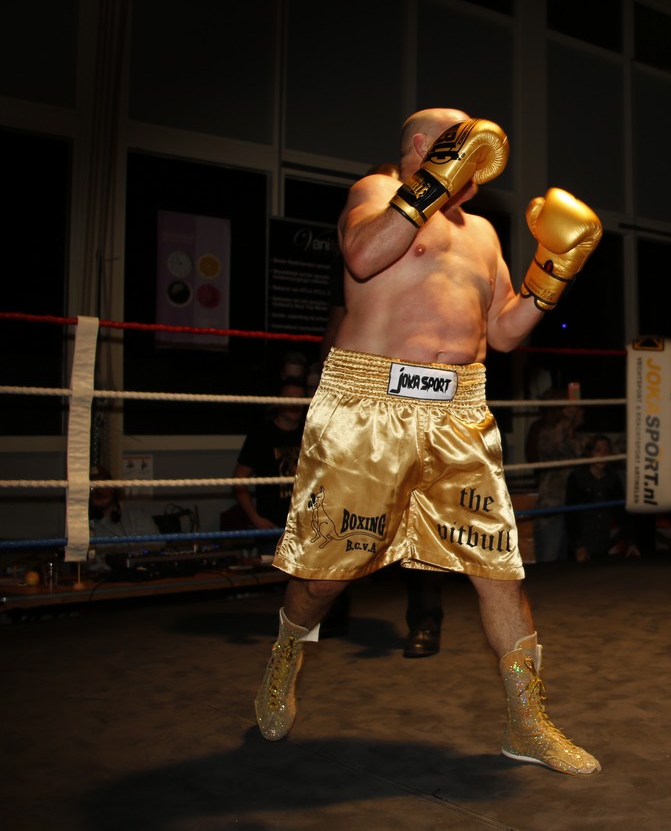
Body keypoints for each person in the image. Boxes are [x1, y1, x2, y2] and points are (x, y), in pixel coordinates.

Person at [253, 108, 603, 776]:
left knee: (500, 573)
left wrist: (552, 270)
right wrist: (436, 180)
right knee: (324, 577)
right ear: (424, 145)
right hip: (370, 405)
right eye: (457, 142)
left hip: (459, 412)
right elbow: (361, 256)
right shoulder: (376, 192)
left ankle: (526, 723)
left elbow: (503, 333)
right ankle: (286, 650)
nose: (478, 161)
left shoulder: (484, 233)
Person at [323, 212, 448, 659]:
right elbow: (340, 318)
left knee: (420, 512)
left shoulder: (446, 242)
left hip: (423, 395)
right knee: (341, 511)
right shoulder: (366, 236)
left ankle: (426, 621)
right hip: (364, 398)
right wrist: (328, 389)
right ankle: (327, 610)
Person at [232, 377, 309, 556]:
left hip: (305, 526)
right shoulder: (261, 435)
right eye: (289, 398)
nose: (294, 404)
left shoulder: (311, 432)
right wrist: (256, 519)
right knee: (273, 573)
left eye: (299, 398)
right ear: (276, 402)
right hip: (272, 529)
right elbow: (238, 480)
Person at [525, 388, 584, 563]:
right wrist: (567, 421)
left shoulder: (579, 437)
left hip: (575, 505)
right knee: (550, 560)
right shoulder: (544, 431)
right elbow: (543, 450)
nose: (582, 410)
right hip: (554, 504)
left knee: (568, 562)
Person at [564, 434, 632, 560]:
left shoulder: (612, 478)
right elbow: (571, 516)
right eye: (598, 450)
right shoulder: (577, 478)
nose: (603, 455)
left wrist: (631, 543)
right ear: (589, 453)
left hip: (603, 544)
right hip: (580, 547)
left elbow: (621, 513)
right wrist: (579, 546)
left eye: (606, 451)